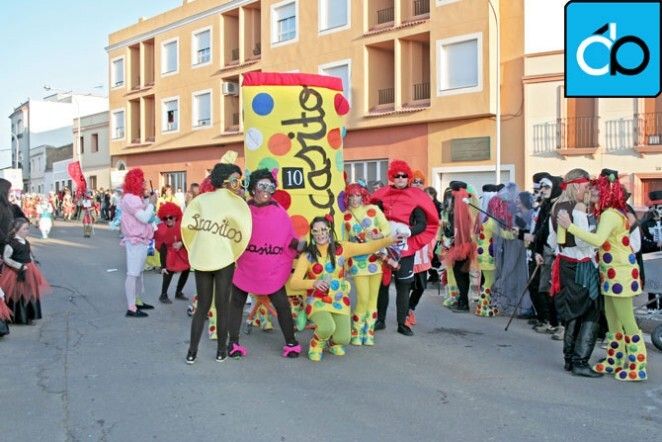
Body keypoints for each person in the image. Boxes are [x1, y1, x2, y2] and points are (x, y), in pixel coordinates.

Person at [558, 169, 646, 381]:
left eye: (598, 192)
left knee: (627, 321)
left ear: (607, 193)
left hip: (620, 274)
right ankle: (615, 359)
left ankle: (638, 365)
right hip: (611, 274)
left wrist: (570, 227)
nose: (593, 194)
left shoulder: (610, 215)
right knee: (613, 322)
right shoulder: (612, 213)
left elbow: (597, 240)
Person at [289, 215, 400, 361]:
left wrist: (390, 240)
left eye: (323, 230)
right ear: (312, 233)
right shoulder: (308, 255)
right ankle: (316, 343)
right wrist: (313, 283)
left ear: (329, 230)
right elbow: (294, 283)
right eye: (315, 231)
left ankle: (332, 343)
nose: (320, 234)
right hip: (317, 300)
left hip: (339, 299)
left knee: (344, 338)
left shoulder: (342, 248)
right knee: (327, 327)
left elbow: (368, 247)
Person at [227, 169, 303, 358]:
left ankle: (291, 343)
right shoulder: (243, 210)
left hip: (271, 269)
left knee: (282, 305)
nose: (266, 191)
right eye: (262, 186)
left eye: (270, 187)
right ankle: (232, 343)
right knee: (236, 303)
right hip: (246, 266)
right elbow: (231, 233)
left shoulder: (279, 212)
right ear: (253, 189)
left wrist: (299, 245)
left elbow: (288, 237)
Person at [182, 163, 251, 364]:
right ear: (225, 181)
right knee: (222, 305)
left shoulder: (202, 200)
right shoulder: (235, 203)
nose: (239, 185)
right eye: (236, 181)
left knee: (203, 306)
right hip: (224, 258)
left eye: (240, 181)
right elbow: (243, 230)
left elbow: (188, 227)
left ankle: (192, 352)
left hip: (203, 258)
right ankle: (221, 351)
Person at [371, 160, 439, 336]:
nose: (400, 178)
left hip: (404, 249)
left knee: (404, 285)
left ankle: (402, 323)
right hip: (385, 246)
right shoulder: (382, 195)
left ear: (408, 177)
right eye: (397, 175)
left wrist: (409, 231)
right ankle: (380, 320)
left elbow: (423, 224)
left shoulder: (416, 196)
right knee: (383, 284)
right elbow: (372, 216)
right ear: (392, 177)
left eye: (403, 175)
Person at [550, 168, 602, 378]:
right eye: (586, 186)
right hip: (582, 265)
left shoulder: (556, 206)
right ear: (575, 186)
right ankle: (580, 362)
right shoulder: (579, 207)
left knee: (573, 311)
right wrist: (596, 243)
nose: (588, 190)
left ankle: (569, 359)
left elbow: (552, 241)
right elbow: (583, 242)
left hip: (564, 264)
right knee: (591, 310)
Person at [342, 182, 391, 346]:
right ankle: (356, 332)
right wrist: (344, 263)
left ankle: (369, 333)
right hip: (357, 261)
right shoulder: (345, 215)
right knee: (362, 298)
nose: (354, 199)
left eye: (358, 195)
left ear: (363, 195)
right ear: (347, 197)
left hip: (376, 259)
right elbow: (343, 241)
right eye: (351, 196)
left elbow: (387, 228)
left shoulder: (373, 210)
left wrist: (379, 235)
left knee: (372, 299)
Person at [120, 169, 157, 318]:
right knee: (133, 273)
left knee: (138, 272)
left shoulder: (134, 197)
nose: (144, 183)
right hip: (135, 240)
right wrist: (151, 204)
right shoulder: (130, 198)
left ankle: (136, 301)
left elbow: (146, 216)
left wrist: (148, 201)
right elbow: (144, 217)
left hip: (141, 239)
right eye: (141, 181)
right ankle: (131, 307)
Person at [0, 218, 52, 324]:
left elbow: (28, 254)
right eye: (25, 229)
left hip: (29, 270)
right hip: (15, 273)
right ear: (16, 230)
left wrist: (32, 261)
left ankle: (28, 316)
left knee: (29, 292)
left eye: (28, 228)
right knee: (15, 293)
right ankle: (15, 317)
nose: (27, 231)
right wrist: (18, 266)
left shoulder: (26, 242)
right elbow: (6, 258)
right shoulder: (11, 244)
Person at [154, 202, 190, 304]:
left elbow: (188, 238)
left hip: (181, 251)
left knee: (187, 269)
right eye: (165, 218)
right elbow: (162, 249)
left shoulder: (182, 226)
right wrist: (163, 266)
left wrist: (181, 243)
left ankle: (179, 292)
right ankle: (163, 295)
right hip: (169, 252)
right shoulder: (162, 230)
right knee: (168, 271)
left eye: (170, 217)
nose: (168, 220)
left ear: (175, 216)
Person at [640, 190, 662, 311]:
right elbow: (642, 243)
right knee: (652, 283)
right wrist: (655, 244)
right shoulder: (645, 224)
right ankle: (652, 306)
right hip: (651, 258)